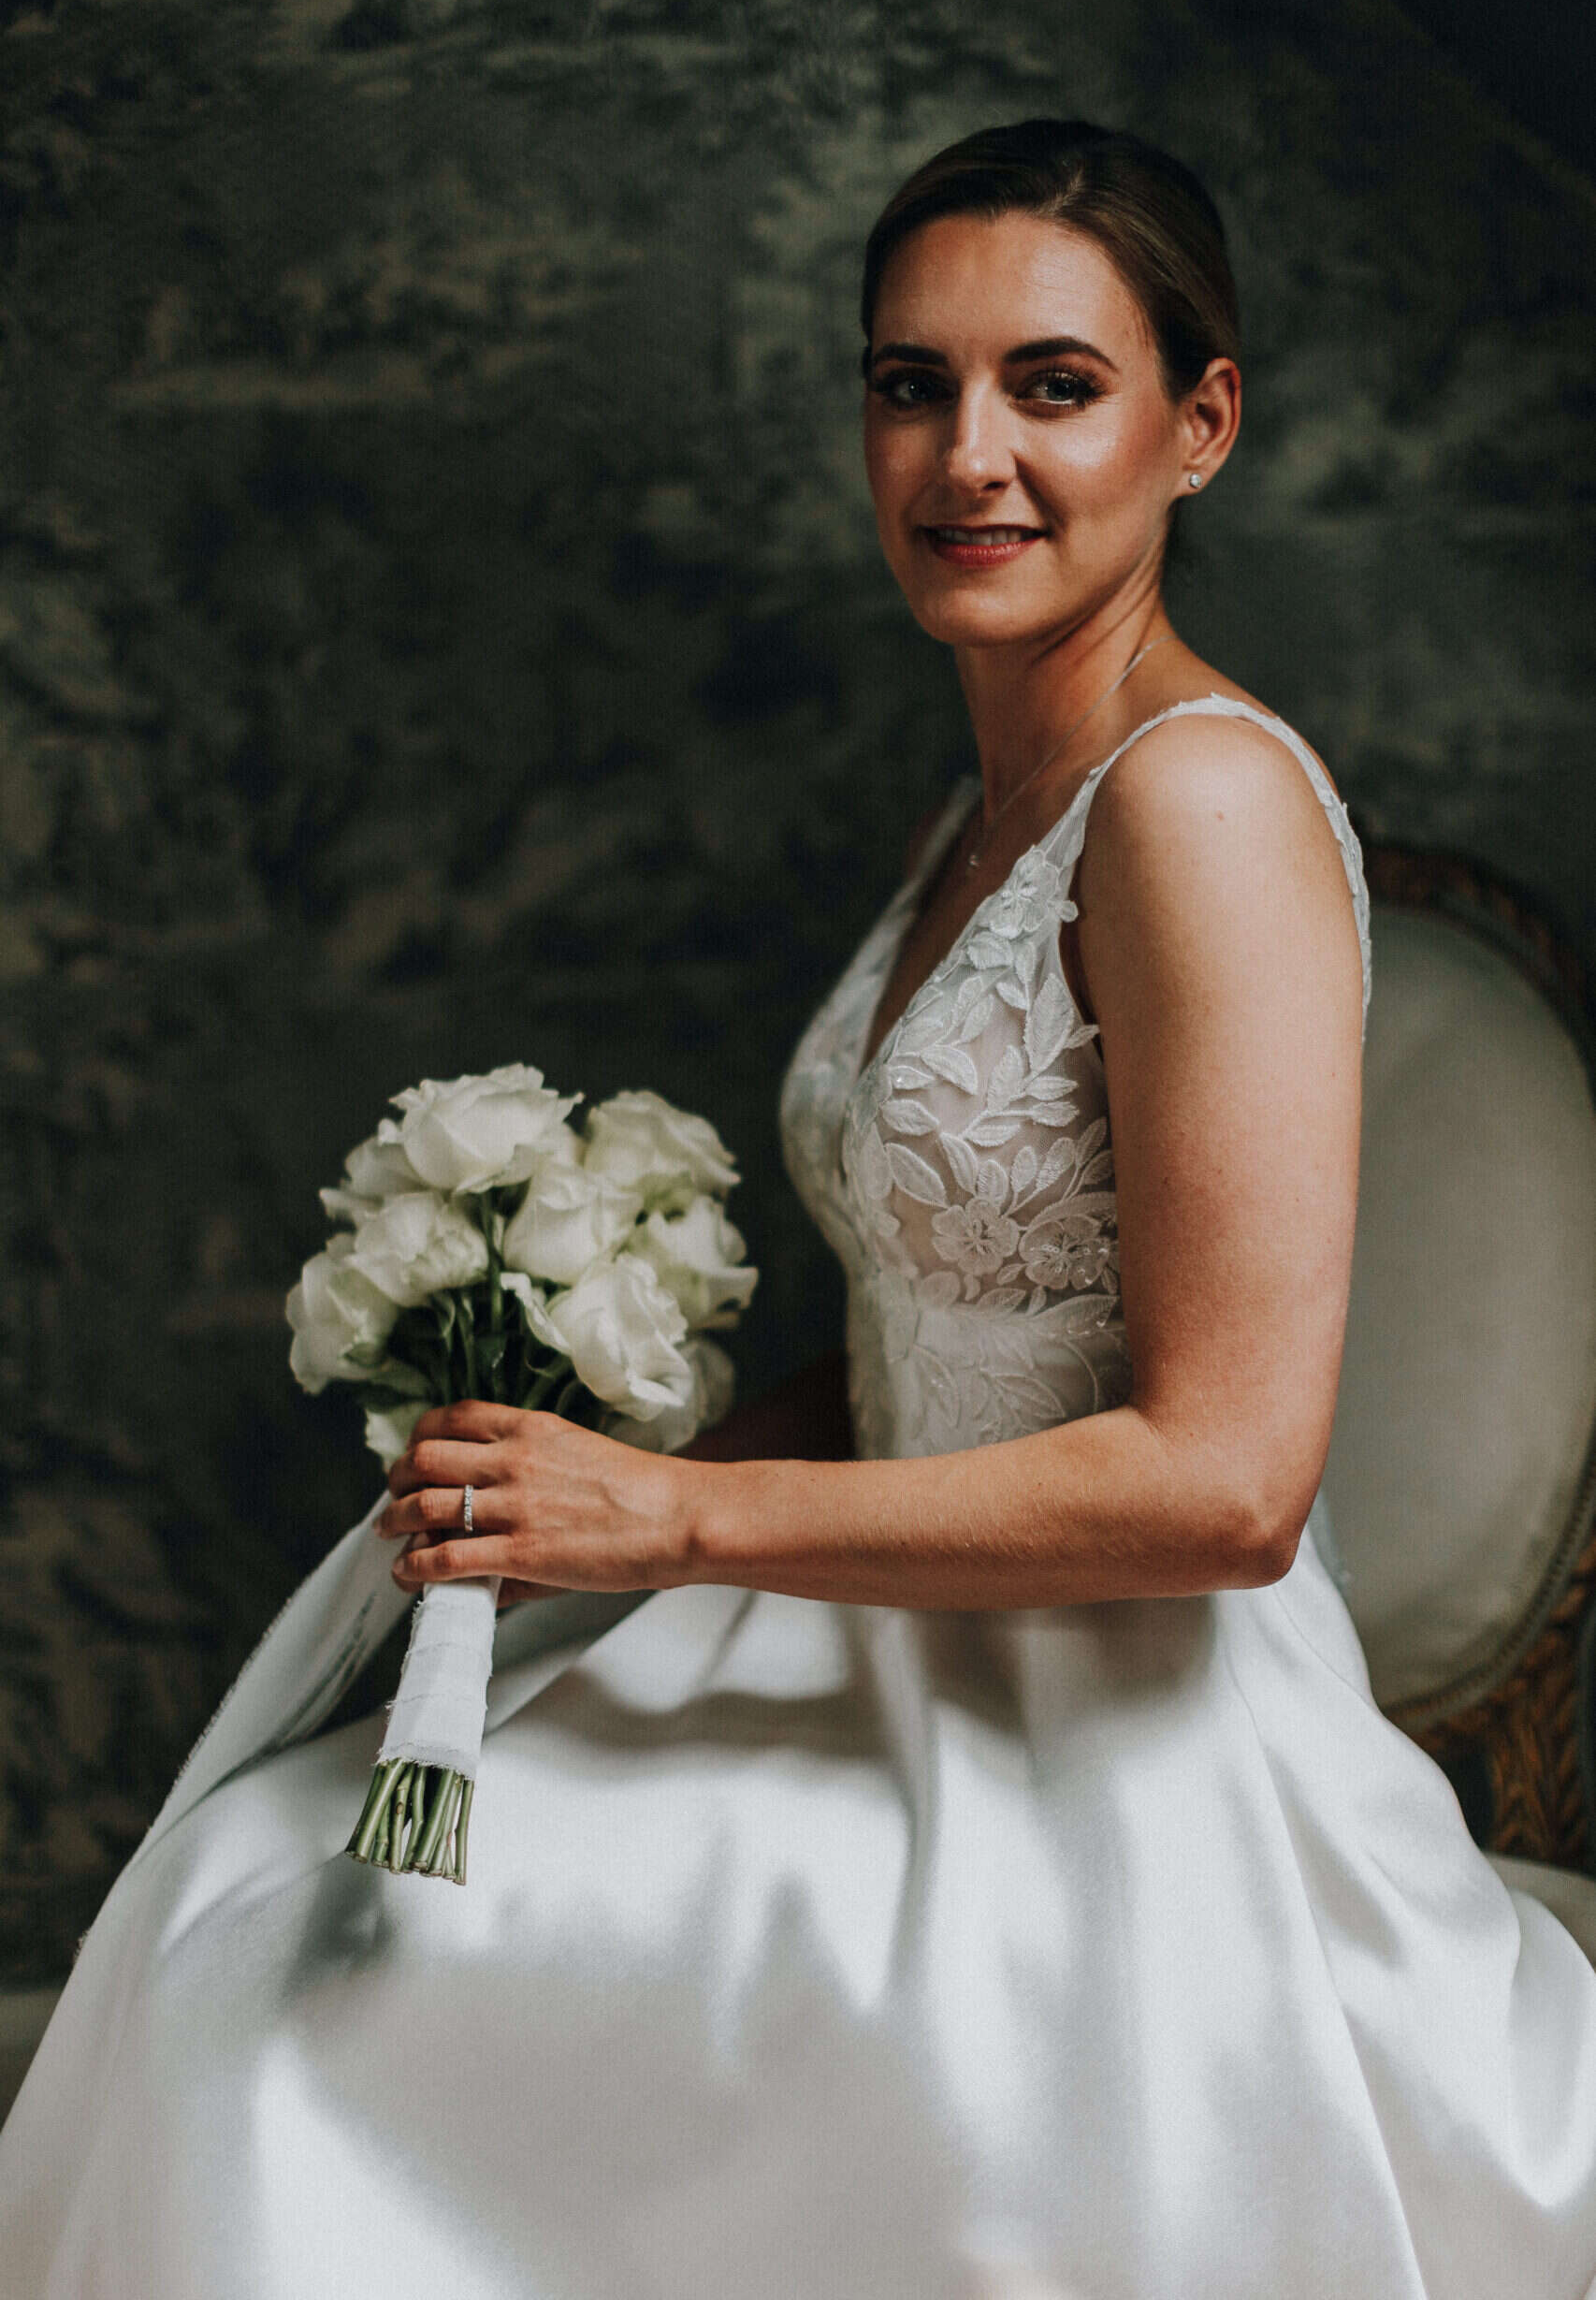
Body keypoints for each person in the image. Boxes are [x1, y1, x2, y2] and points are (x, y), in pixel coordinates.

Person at [3, 117, 1594, 2300]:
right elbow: (933, 1353)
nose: (967, 456)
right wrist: (566, 1480)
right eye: (909, 384)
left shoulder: (1198, 805)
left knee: (281, 2015)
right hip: (871, 1639)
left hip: (1106, 1754)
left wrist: (669, 1522)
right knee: (256, 1901)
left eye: (1053, 385)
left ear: (1199, 423)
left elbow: (1227, 1483)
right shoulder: (988, 806)